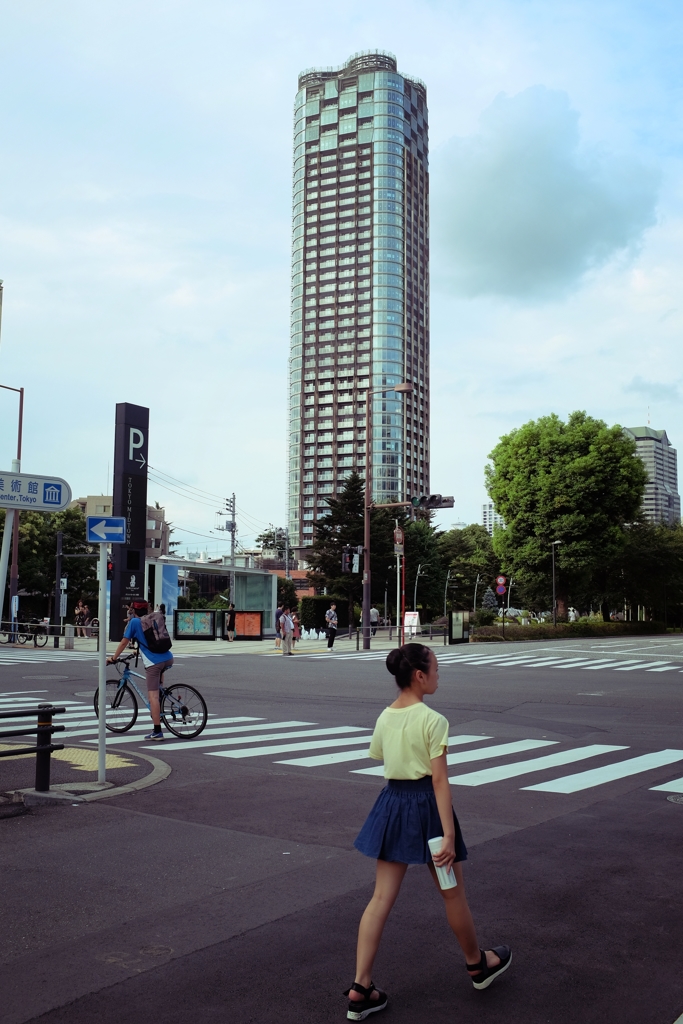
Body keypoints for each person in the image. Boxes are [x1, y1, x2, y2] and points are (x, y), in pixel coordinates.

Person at [345, 643, 511, 1019]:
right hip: (428, 811)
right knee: (453, 895)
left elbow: (382, 757)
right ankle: (477, 964)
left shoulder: (385, 716)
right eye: (436, 669)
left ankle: (361, 987)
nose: (439, 675)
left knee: (380, 898)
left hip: (392, 806)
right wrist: (449, 834)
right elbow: (439, 781)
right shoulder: (433, 720)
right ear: (419, 676)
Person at [107, 600, 173, 741]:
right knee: (158, 689)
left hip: (154, 662)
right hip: (168, 657)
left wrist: (113, 658)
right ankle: (160, 703)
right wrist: (138, 651)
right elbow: (150, 640)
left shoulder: (135, 622)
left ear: (134, 610)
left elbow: (124, 642)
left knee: (152, 696)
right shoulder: (152, 618)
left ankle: (157, 731)